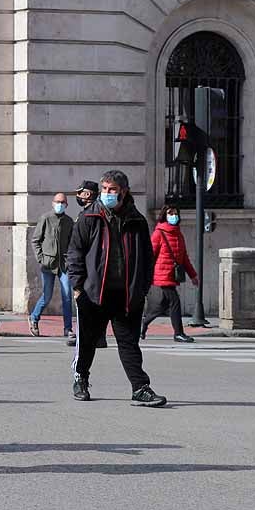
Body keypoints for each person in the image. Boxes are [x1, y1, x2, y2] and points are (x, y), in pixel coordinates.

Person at [67, 170, 165, 407]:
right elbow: (75, 252)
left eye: (112, 190)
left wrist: (142, 288)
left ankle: (140, 388)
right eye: (104, 189)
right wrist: (78, 286)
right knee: (88, 341)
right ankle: (81, 378)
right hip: (93, 292)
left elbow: (146, 257)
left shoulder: (137, 220)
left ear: (124, 191)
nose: (108, 194)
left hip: (126, 294)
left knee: (129, 343)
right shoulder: (89, 217)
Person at [141, 205, 199, 343]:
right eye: (170, 213)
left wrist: (193, 275)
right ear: (164, 215)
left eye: (175, 213)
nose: (173, 215)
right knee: (175, 302)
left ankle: (144, 323)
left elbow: (184, 257)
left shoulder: (178, 234)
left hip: (173, 273)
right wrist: (146, 275)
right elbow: (150, 255)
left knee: (163, 304)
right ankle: (178, 333)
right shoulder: (159, 233)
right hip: (163, 274)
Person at [30, 193, 75, 341]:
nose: (60, 204)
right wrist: (41, 258)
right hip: (48, 264)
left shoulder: (69, 221)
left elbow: (72, 243)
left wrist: (70, 259)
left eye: (62, 202)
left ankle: (67, 328)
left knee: (67, 295)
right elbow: (36, 240)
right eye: (57, 201)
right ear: (52, 203)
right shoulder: (46, 218)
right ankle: (34, 318)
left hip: (63, 264)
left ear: (67, 205)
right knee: (47, 296)